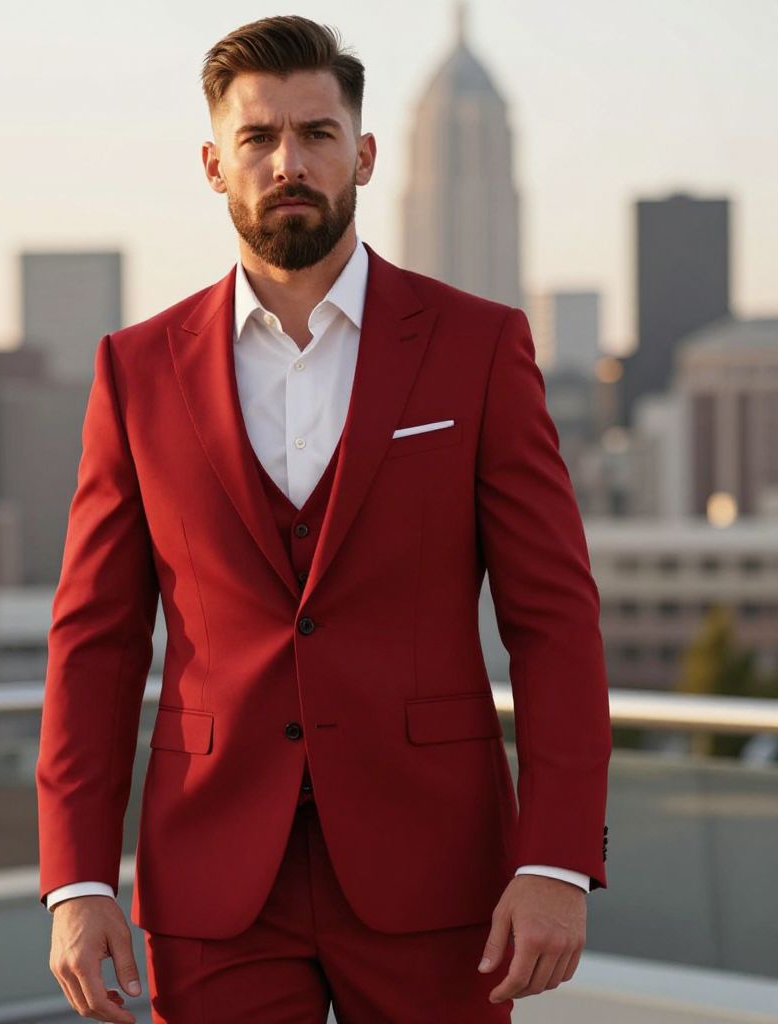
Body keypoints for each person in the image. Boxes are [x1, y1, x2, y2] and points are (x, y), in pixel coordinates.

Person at [36, 14, 611, 1023]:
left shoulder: (478, 347)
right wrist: (77, 879)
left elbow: (554, 621)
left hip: (436, 869)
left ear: (365, 155)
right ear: (214, 165)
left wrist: (556, 857)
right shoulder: (136, 370)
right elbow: (97, 641)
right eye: (258, 138)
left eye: (316, 134)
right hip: (213, 877)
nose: (288, 163)